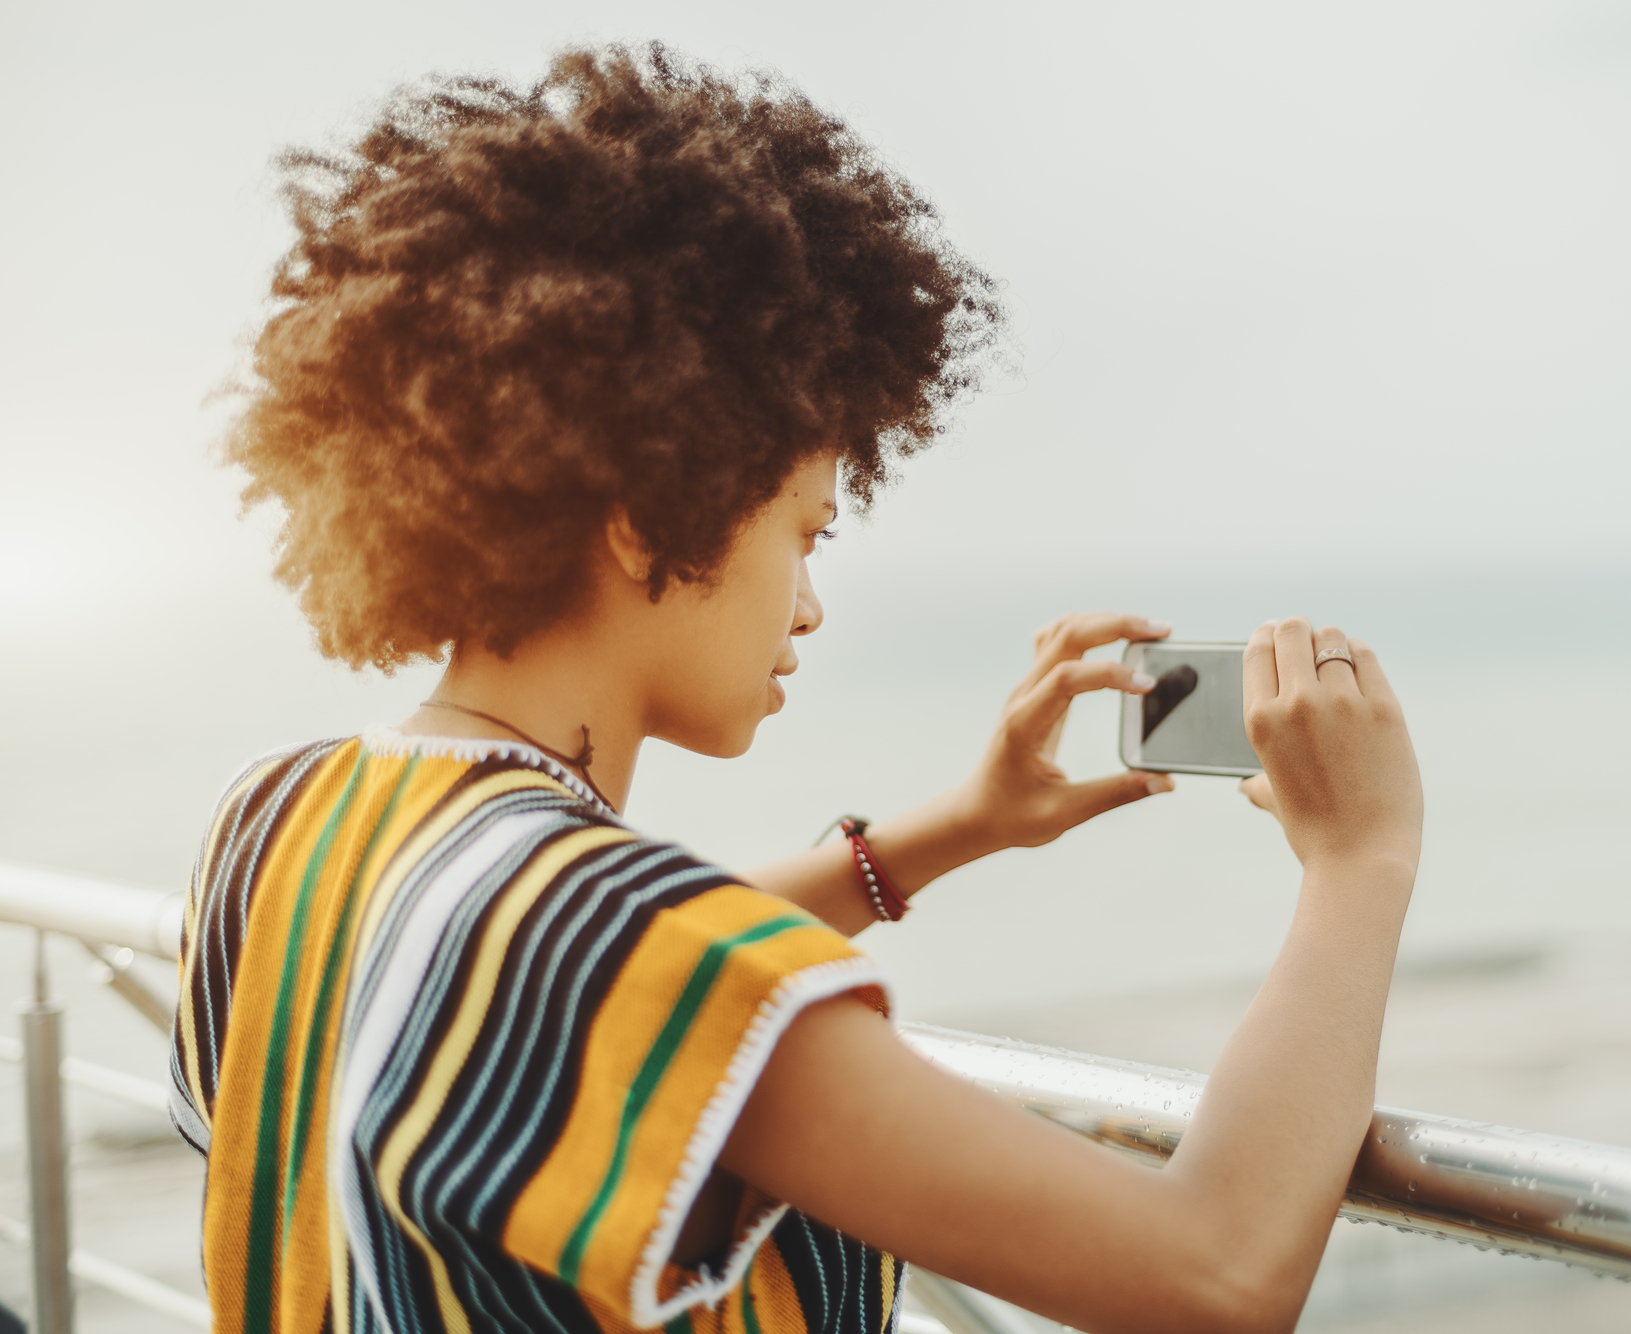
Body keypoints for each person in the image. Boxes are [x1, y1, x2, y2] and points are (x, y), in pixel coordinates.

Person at [169, 43, 1423, 1334]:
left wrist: (956, 829)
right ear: (647, 512)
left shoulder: (276, 818)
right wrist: (1361, 863)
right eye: (805, 532)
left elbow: (528, 965)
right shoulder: (623, 946)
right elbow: (1212, 1272)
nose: (810, 601)